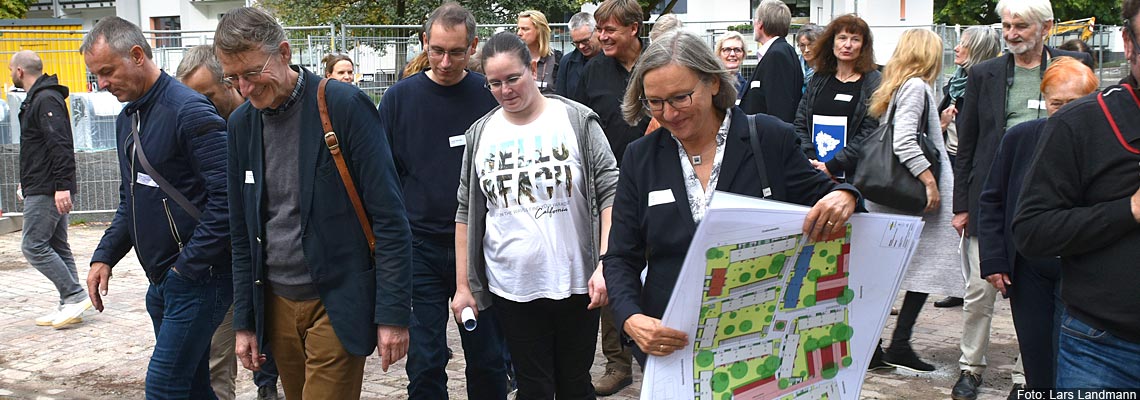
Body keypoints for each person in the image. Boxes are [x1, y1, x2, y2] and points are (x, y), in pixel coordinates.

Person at [606, 29, 859, 368]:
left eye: (680, 97)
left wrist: (845, 196)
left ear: (712, 82)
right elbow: (621, 255)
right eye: (655, 102)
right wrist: (630, 318)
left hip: (761, 339)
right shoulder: (641, 158)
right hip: (673, 342)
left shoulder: (767, 139)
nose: (669, 113)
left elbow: (829, 196)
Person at [214, 7, 413, 399]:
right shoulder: (241, 125)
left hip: (336, 298)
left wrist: (393, 314)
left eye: (252, 73)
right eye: (232, 78)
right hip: (276, 302)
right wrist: (246, 323)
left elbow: (389, 217)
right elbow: (242, 233)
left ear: (284, 53)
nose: (244, 87)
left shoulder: (344, 106)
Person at [452, 31, 618, 400]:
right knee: (533, 385)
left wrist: (607, 261)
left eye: (513, 78)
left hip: (576, 280)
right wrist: (464, 286)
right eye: (494, 83)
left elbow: (611, 191)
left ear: (533, 68)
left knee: (575, 382)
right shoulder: (481, 134)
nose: (505, 90)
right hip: (512, 283)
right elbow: (465, 211)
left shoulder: (576, 120)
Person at [81, 16, 232, 399]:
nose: (102, 84)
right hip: (163, 283)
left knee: (163, 387)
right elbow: (129, 200)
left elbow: (228, 201)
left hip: (199, 280)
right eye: (96, 75)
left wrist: (186, 269)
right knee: (194, 388)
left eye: (107, 71)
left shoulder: (189, 111)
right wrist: (104, 257)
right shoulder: (127, 119)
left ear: (136, 55)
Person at [951, 1, 1091, 397]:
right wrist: (963, 204)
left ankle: (1025, 378)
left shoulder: (1072, 66)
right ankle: (970, 366)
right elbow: (969, 143)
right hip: (995, 195)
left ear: (1046, 27)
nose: (1011, 34)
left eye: (1020, 26)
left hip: (1053, 202)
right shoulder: (985, 73)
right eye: (1006, 25)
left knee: (1037, 300)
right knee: (982, 288)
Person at [379, 3, 511, 399]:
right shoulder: (399, 99)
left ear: (473, 46)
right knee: (425, 358)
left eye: (456, 51)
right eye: (437, 49)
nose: (445, 60)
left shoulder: (490, 97)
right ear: (424, 42)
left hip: (479, 245)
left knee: (488, 357)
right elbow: (385, 175)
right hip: (419, 246)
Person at [1012, 0, 1140, 389]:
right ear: (1129, 43)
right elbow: (1032, 229)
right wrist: (1128, 211)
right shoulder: (1080, 124)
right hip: (1105, 351)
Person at [978, 56, 1097, 390]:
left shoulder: (1101, 144)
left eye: (1073, 104)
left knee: (1069, 362)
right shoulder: (1020, 138)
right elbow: (992, 199)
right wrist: (994, 259)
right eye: (1055, 103)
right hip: (1028, 271)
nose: (1063, 112)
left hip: (1080, 271)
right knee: (1036, 361)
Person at [174, 44, 281, 400]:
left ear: (231, 84)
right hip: (223, 266)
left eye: (206, 95)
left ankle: (268, 382)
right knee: (214, 362)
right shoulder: (197, 130)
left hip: (281, 266)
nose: (198, 106)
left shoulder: (262, 119)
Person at [862, 28, 958, 375]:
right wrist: (930, 182)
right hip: (909, 198)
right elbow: (903, 142)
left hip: (889, 198)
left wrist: (940, 126)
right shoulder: (917, 86)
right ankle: (897, 343)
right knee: (924, 268)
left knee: (892, 273)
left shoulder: (897, 86)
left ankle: (875, 346)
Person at [572, 0, 645, 393]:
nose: (602, 37)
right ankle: (618, 363)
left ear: (634, 28)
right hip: (611, 192)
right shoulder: (592, 72)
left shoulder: (659, 63)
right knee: (614, 267)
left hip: (661, 182)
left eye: (610, 30)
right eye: (600, 30)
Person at [9, 50, 88, 330]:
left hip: (49, 188)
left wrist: (63, 186)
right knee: (56, 245)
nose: (10, 74)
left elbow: (60, 144)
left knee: (33, 245)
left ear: (19, 71)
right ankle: (70, 304)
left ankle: (74, 295)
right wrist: (25, 181)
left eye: (10, 70)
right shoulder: (38, 99)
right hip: (41, 184)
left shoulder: (45, 98)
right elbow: (37, 148)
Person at [932, 26, 1001, 310]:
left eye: (963, 44)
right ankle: (960, 285)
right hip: (951, 160)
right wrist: (943, 122)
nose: (956, 49)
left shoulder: (985, 83)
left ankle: (972, 284)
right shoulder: (956, 82)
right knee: (956, 228)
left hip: (973, 164)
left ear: (979, 50)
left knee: (969, 228)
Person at [792, 14, 881, 181]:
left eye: (855, 39)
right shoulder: (819, 78)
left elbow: (869, 132)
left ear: (863, 46)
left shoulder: (873, 82)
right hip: (815, 171)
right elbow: (801, 121)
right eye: (842, 38)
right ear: (831, 42)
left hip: (855, 176)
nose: (847, 45)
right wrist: (813, 160)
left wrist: (832, 166)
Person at [739, 0, 803, 123]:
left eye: (754, 20)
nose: (753, 25)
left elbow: (779, 112)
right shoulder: (780, 51)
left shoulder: (777, 55)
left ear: (760, 24)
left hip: (769, 140)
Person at [556, 11, 601, 100]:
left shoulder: (613, 58)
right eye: (576, 43)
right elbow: (561, 98)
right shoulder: (567, 62)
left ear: (597, 31)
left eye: (585, 41)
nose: (581, 46)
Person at [517, 10, 560, 94]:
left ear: (539, 30)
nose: (519, 33)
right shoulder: (513, 59)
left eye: (525, 29)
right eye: (518, 28)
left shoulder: (557, 60)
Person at [714, 31, 748, 98]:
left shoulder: (747, 88)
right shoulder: (710, 83)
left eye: (737, 50)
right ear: (719, 54)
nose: (732, 54)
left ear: (743, 54)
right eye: (727, 50)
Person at [795, 24, 823, 94]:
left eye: (811, 45)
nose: (806, 50)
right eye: (802, 45)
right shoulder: (794, 65)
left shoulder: (827, 68)